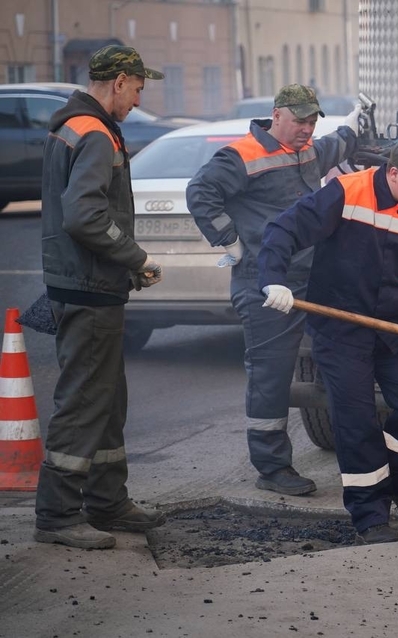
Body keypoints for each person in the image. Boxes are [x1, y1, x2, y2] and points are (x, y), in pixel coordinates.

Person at [257, 135, 398, 544]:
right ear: (392, 173)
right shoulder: (346, 192)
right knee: (355, 420)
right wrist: (273, 279)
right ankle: (369, 515)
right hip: (342, 331)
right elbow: (284, 229)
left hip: (396, 330)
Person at [186, 85, 361, 497]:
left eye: (313, 120)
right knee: (271, 376)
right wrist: (229, 239)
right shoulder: (242, 155)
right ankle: (272, 467)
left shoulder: (306, 149)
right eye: (299, 120)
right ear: (276, 115)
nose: (307, 129)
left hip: (310, 276)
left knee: (346, 358)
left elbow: (331, 147)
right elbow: (200, 193)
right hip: (266, 283)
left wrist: (354, 128)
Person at [34, 45, 168, 549]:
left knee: (108, 401)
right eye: (137, 89)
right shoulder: (93, 132)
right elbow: (84, 216)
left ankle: (108, 502)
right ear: (119, 82)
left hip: (87, 283)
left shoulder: (74, 125)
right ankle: (58, 514)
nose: (138, 100)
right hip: (87, 290)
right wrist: (134, 259)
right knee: (87, 400)